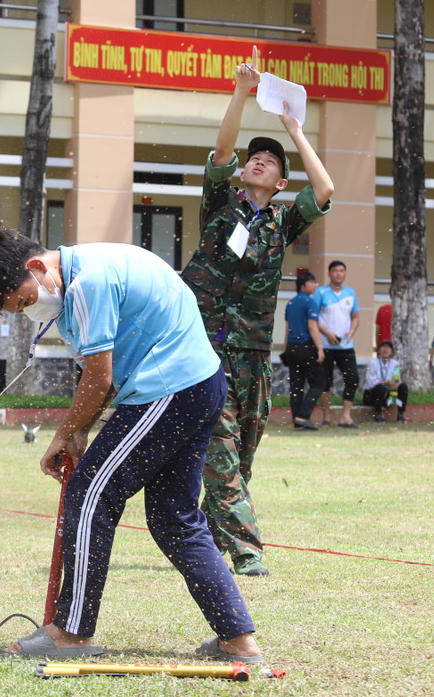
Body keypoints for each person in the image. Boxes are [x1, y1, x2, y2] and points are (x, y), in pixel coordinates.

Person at [0, 224, 262, 663]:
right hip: (199, 384)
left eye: (25, 301)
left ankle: (71, 632)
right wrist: (79, 430)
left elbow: (99, 376)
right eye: (19, 310)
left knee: (89, 494)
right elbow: (101, 373)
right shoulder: (81, 278)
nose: (29, 312)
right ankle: (238, 639)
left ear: (36, 266)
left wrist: (63, 433)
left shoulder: (88, 282)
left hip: (169, 388)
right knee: (174, 518)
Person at [180, 56, 334, 578]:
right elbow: (223, 150)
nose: (259, 162)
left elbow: (325, 190)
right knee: (220, 454)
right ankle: (249, 552)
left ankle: (202, 537)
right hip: (206, 352)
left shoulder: (281, 224)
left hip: (253, 357)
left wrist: (295, 130)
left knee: (240, 458)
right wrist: (242, 93)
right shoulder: (220, 204)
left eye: (270, 161)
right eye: (255, 158)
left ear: (281, 181)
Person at [314, 260, 360, 429]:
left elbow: (355, 316)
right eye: (335, 270)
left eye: (341, 271)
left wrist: (352, 331)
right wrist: (327, 333)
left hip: (346, 346)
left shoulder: (350, 293)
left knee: (352, 379)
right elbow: (313, 318)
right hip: (325, 345)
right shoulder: (321, 292)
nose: (338, 273)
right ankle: (326, 417)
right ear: (329, 273)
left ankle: (345, 417)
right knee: (325, 381)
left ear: (345, 273)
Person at [283, 272, 325, 431]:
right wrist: (320, 348)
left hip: (292, 347)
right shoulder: (309, 301)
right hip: (305, 346)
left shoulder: (290, 303)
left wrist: (286, 350)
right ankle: (303, 416)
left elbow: (287, 329)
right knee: (319, 383)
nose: (315, 285)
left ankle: (297, 422)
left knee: (296, 385)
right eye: (312, 282)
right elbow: (312, 326)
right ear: (303, 285)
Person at [364, 340, 405, 423]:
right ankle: (378, 415)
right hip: (372, 394)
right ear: (379, 350)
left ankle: (401, 414)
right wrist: (386, 383)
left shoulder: (395, 364)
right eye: (383, 347)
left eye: (388, 347)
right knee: (381, 388)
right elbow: (370, 382)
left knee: (403, 387)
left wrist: (395, 384)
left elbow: (397, 379)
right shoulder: (373, 363)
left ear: (392, 352)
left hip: (388, 392)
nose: (385, 349)